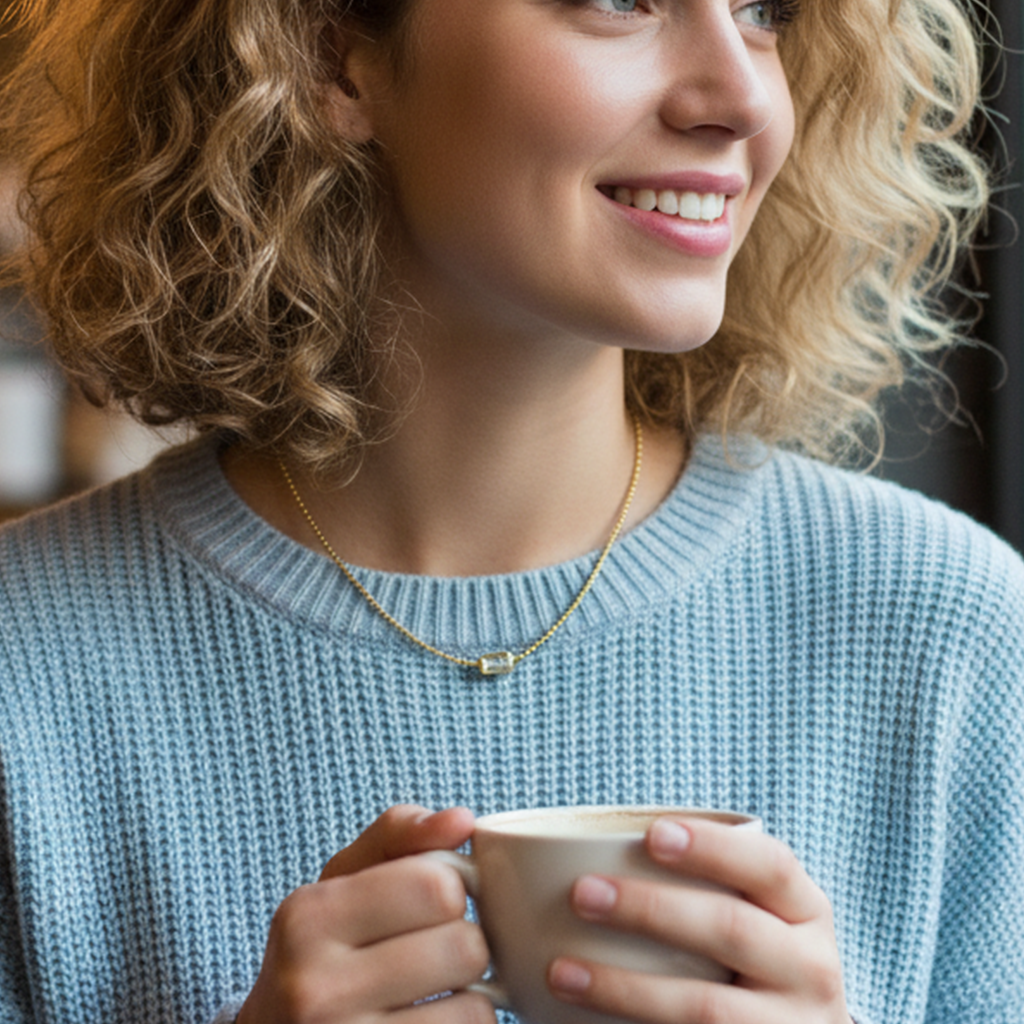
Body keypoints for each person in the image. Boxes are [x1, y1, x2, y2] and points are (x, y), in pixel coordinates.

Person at [0, 0, 1021, 1021]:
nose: (744, 96)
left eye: (766, 11)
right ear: (334, 55)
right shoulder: (26, 667)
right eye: (619, 0)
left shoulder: (954, 634)